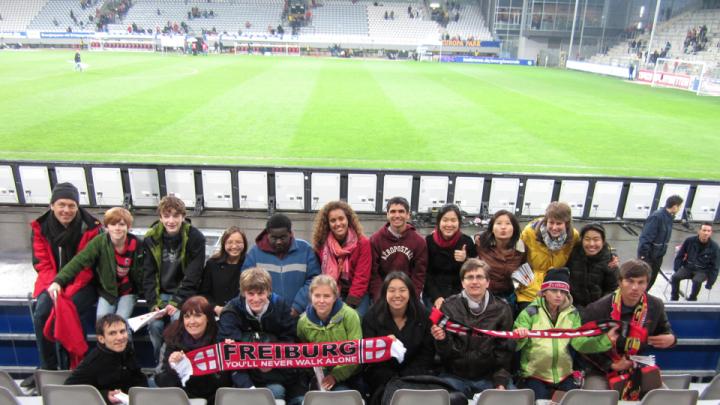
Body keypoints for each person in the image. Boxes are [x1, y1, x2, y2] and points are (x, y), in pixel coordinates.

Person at [30, 182, 101, 373]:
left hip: (83, 284)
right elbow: (41, 263)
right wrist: (55, 285)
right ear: (52, 205)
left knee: (66, 311)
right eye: (61, 205)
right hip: (52, 283)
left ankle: (75, 367)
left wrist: (66, 290)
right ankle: (49, 368)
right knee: (41, 313)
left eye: (71, 205)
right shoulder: (40, 228)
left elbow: (87, 267)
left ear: (78, 207)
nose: (66, 210)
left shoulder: (90, 228)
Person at [513, 268, 615, 400]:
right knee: (540, 401)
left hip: (564, 375)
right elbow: (515, 344)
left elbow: (580, 344)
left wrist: (605, 340)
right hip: (534, 375)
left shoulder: (573, 314)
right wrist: (520, 335)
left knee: (573, 401)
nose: (558, 295)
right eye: (554, 291)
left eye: (563, 292)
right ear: (544, 292)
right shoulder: (530, 312)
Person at [581, 259, 676, 398]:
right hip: (601, 369)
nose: (635, 287)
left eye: (640, 282)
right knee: (598, 398)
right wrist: (611, 364)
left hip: (637, 366)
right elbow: (582, 346)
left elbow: (665, 331)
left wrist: (671, 339)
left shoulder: (656, 305)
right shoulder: (597, 309)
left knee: (666, 399)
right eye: (630, 281)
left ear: (647, 284)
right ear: (620, 282)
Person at [218, 267, 305, 404]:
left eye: (261, 293)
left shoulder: (280, 305)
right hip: (245, 373)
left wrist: (270, 359)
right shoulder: (231, 311)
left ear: (269, 291)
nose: (256, 299)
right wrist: (249, 387)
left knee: (290, 395)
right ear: (243, 293)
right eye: (250, 294)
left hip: (278, 370)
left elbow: (290, 341)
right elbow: (229, 354)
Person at [430, 259, 515, 399]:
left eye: (479, 277)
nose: (475, 282)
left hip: (489, 378)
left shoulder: (502, 309)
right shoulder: (448, 306)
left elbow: (504, 353)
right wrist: (441, 340)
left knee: (512, 398)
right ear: (463, 283)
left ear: (487, 282)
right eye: (470, 277)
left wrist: (500, 383)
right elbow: (444, 354)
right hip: (454, 376)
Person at [49, 207, 143, 320]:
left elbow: (147, 270)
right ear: (107, 227)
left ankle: (125, 337)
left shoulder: (137, 244)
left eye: (122, 225)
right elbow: (79, 261)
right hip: (108, 291)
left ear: (128, 227)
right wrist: (58, 281)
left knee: (121, 320)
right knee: (101, 320)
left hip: (129, 291)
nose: (117, 228)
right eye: (113, 224)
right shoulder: (99, 242)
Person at [143, 196, 206, 361]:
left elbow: (193, 276)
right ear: (160, 217)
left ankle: (177, 362)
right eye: (166, 216)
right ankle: (161, 362)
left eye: (176, 216)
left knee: (178, 321)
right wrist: (153, 304)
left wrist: (176, 301)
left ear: (183, 217)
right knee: (154, 325)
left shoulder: (195, 237)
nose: (171, 220)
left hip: (184, 295)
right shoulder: (150, 238)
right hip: (161, 294)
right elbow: (148, 274)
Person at [362, 272, 436, 405]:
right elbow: (370, 357)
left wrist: (407, 377)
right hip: (382, 377)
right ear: (385, 293)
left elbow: (427, 353)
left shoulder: (423, 315)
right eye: (392, 290)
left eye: (402, 290)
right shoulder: (371, 316)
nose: (397, 295)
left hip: (416, 375)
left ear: (410, 293)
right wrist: (384, 345)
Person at [154, 296, 229, 404]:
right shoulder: (172, 338)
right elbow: (160, 379)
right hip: (182, 401)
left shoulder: (221, 339)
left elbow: (225, 382)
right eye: (187, 317)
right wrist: (174, 367)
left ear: (208, 317)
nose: (192, 321)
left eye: (197, 316)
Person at [243, 213, 320, 317]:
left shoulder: (305, 250)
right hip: (265, 316)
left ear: (290, 233)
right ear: (267, 234)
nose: (278, 242)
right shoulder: (255, 253)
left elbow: (314, 279)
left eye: (283, 237)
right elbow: (247, 284)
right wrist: (266, 308)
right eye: (274, 238)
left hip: (300, 316)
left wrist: (297, 306)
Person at [297, 275, 362, 392]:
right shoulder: (303, 322)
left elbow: (356, 352)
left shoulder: (350, 315)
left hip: (351, 373)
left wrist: (335, 376)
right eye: (317, 296)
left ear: (335, 297)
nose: (321, 301)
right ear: (311, 297)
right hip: (320, 373)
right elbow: (304, 354)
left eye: (327, 296)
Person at [65, 314, 148, 404]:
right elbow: (69, 389)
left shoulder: (128, 351)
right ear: (101, 339)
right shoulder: (92, 362)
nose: (120, 337)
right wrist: (105, 395)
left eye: (122, 331)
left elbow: (139, 378)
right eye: (112, 333)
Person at [311, 201, 371, 316]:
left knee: (354, 318)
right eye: (333, 221)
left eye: (341, 219)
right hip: (332, 291)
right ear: (327, 223)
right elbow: (318, 275)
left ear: (348, 219)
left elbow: (362, 277)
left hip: (358, 294)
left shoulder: (362, 243)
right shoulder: (321, 245)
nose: (338, 223)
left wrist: (349, 305)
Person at [517, 202, 579, 311]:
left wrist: (612, 254)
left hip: (557, 289)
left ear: (567, 223)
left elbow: (590, 245)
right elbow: (514, 248)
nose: (554, 227)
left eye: (559, 223)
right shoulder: (529, 233)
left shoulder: (573, 237)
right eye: (551, 222)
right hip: (529, 291)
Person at [369, 196, 427, 302]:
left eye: (401, 211)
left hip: (408, 292)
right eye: (393, 211)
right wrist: (379, 298)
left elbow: (419, 274)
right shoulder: (375, 240)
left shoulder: (419, 241)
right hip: (383, 292)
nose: (397, 215)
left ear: (408, 215)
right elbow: (374, 273)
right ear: (387, 214)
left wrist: (412, 297)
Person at [424, 204, 477, 308]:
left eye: (453, 220)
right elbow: (426, 273)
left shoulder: (466, 241)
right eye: (445, 220)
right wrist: (436, 297)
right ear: (439, 222)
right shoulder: (429, 241)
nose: (449, 224)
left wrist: (465, 260)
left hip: (460, 295)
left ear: (459, 222)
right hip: (433, 294)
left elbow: (474, 272)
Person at [475, 210, 526, 305]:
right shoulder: (481, 244)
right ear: (492, 228)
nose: (503, 227)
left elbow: (524, 272)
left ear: (514, 228)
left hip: (508, 298)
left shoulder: (521, 249)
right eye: (498, 223)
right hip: (483, 296)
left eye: (508, 224)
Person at [566, 223, 618, 308]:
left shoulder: (610, 261)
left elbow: (612, 289)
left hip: (597, 308)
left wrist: (597, 307)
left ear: (603, 241)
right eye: (587, 239)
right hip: (571, 305)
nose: (591, 244)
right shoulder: (573, 254)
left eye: (596, 239)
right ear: (582, 240)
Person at [200, 226, 248, 316]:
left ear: (244, 244)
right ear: (223, 244)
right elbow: (203, 293)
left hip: (241, 314)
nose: (234, 246)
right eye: (229, 242)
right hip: (215, 314)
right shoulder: (212, 264)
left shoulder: (249, 263)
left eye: (238, 242)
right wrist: (215, 307)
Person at [637, 195, 683, 288]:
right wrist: (644, 256)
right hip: (649, 257)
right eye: (680, 206)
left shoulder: (669, 217)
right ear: (675, 206)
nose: (680, 209)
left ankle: (644, 298)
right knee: (644, 280)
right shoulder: (657, 217)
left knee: (651, 280)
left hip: (658, 256)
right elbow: (646, 237)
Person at [670, 222, 718, 301]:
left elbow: (715, 266)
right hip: (688, 267)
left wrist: (710, 282)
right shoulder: (689, 241)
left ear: (711, 233)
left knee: (696, 281)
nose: (706, 233)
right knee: (675, 277)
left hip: (703, 270)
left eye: (708, 231)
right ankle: (674, 298)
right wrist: (677, 269)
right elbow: (680, 255)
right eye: (704, 230)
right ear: (699, 231)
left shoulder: (714, 247)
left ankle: (692, 299)